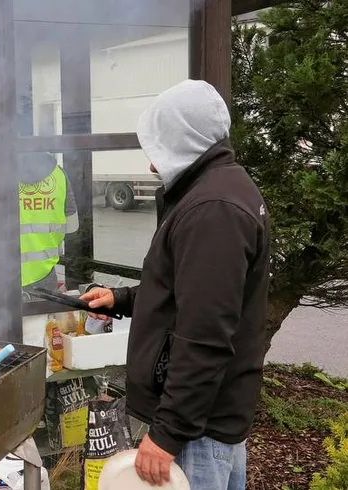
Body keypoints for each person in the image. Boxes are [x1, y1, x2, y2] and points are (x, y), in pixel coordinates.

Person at [79, 80, 270, 489]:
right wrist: (123, 298)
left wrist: (168, 434)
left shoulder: (213, 210)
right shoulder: (217, 190)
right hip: (205, 423)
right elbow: (190, 295)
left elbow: (206, 336)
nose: (151, 162)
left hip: (197, 432)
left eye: (159, 145)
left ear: (186, 140)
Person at [0, 150, 79, 291]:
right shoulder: (59, 175)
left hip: (1, 277)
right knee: (42, 313)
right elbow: (72, 227)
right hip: (44, 277)